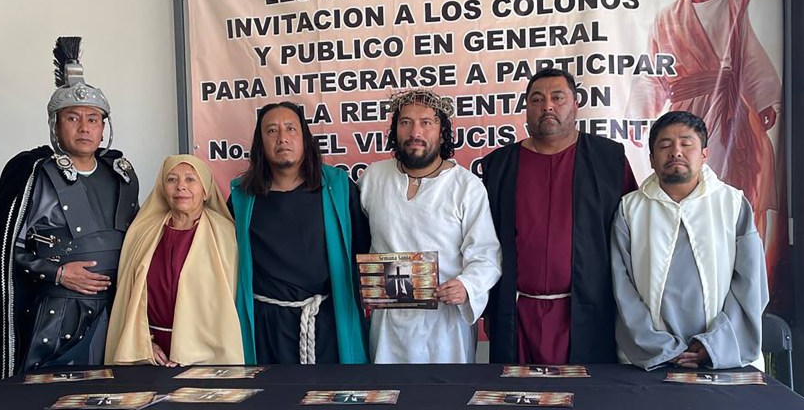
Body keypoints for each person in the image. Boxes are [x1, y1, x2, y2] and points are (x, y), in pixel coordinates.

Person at [0, 37, 139, 380]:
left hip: (117, 314)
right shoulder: (32, 173)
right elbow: (3, 249)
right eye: (72, 118)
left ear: (103, 127)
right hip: (58, 315)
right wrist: (58, 273)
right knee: (49, 401)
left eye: (93, 119)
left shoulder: (122, 174)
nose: (84, 127)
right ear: (55, 124)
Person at [627, 0, 782, 240]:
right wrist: (639, 115)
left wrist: (764, 97)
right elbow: (653, 70)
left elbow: (750, 50)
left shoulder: (738, 0)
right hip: (686, 114)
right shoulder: (668, 17)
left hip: (733, 111)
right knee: (688, 191)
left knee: (736, 189)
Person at [481, 67, 636, 366]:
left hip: (589, 313)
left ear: (576, 104)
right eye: (537, 99)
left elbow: (632, 238)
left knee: (588, 393)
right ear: (526, 108)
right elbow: (484, 244)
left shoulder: (609, 160)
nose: (547, 106)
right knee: (512, 394)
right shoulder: (499, 166)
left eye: (557, 97)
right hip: (516, 314)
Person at [612, 111, 767, 370]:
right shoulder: (630, 209)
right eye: (665, 145)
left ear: (704, 154)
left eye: (686, 143)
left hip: (720, 355)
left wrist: (714, 345)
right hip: (651, 357)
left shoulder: (732, 204)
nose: (676, 152)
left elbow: (750, 286)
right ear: (651, 158)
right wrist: (659, 347)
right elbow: (621, 287)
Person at [358, 90, 501, 363]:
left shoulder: (466, 186)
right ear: (395, 130)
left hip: (445, 327)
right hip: (389, 326)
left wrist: (466, 285)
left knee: (445, 390)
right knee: (388, 389)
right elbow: (355, 239)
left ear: (442, 132)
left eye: (426, 122)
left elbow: (486, 255)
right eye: (406, 122)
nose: (415, 132)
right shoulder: (374, 178)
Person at [229, 103, 368, 364]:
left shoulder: (337, 188)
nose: (282, 138)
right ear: (260, 143)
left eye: (290, 128)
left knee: (334, 390)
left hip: (328, 324)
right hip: (266, 329)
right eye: (272, 130)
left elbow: (363, 249)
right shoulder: (242, 197)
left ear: (305, 137)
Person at [105, 156, 244, 365]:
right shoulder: (142, 231)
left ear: (206, 190)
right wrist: (144, 344)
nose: (180, 187)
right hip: (149, 353)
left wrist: (190, 351)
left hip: (207, 354)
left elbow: (229, 303)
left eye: (190, 179)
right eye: (171, 179)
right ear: (163, 187)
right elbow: (127, 298)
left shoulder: (225, 234)